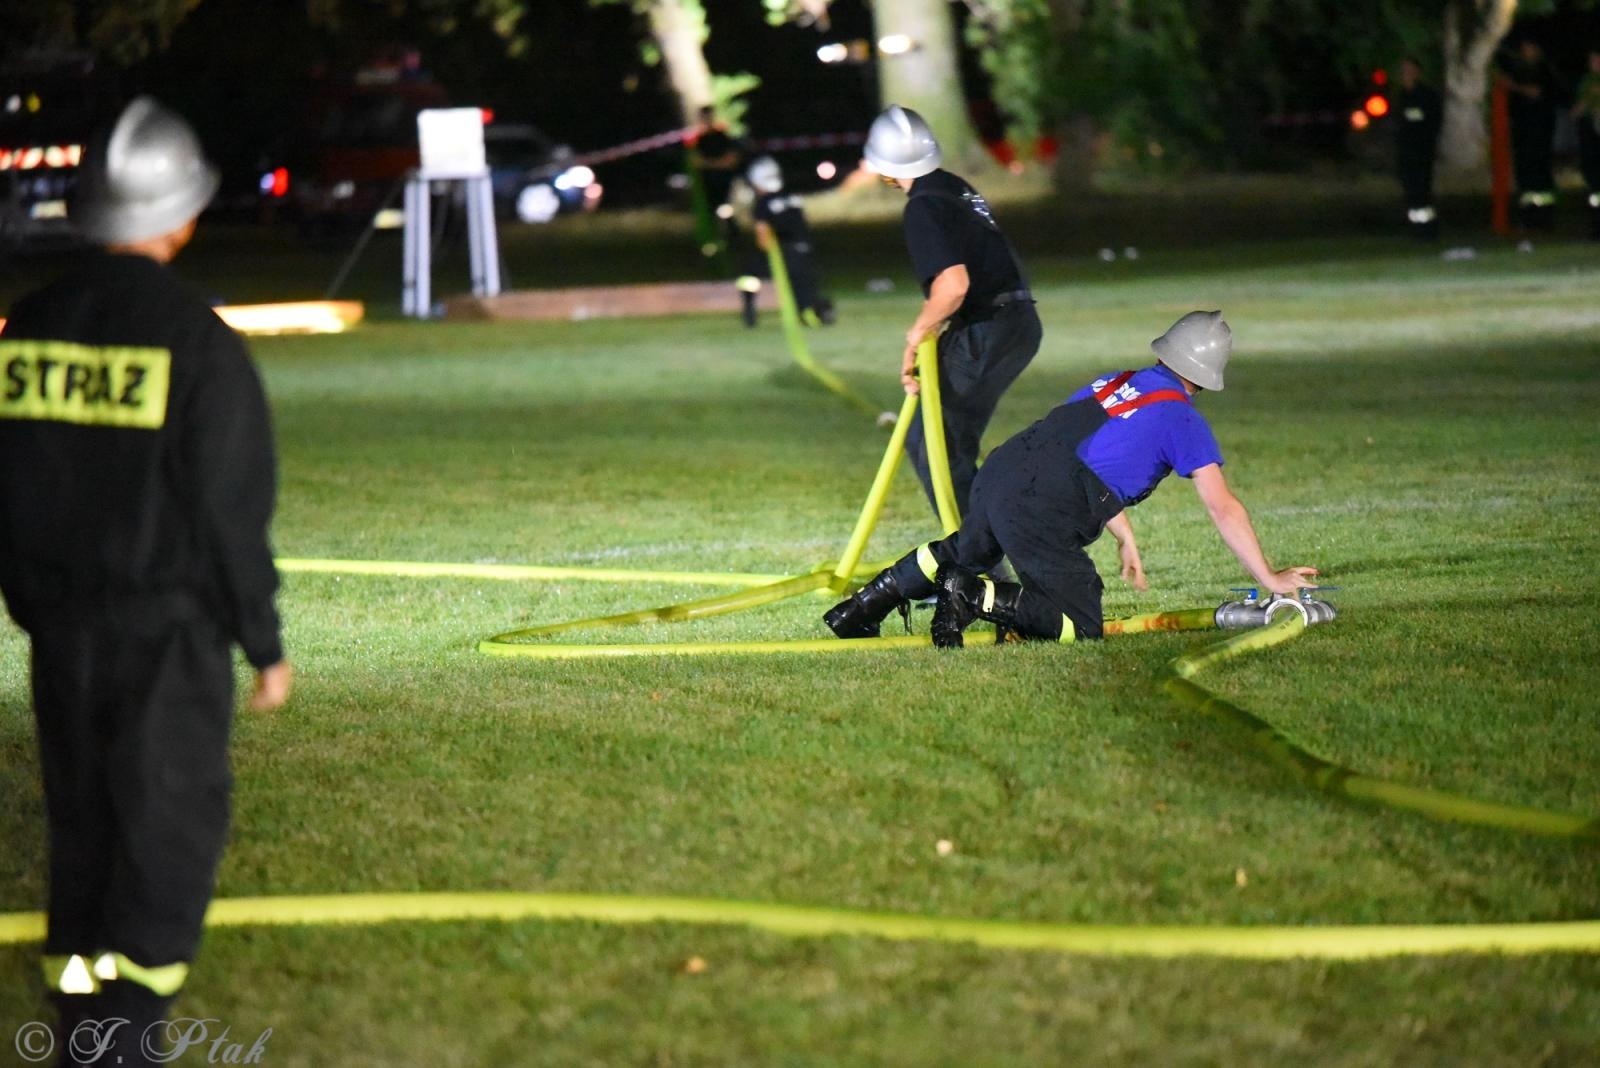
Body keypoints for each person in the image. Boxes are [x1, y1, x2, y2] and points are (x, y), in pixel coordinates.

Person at [0, 96, 290, 1066]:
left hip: (62, 630)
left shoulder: (28, 327)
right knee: (168, 812)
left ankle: (81, 1008)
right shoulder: (197, 340)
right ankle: (128, 1028)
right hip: (168, 634)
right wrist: (264, 641)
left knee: (84, 813)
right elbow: (227, 509)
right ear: (181, 215)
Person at [824, 311, 1318, 647]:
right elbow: (1223, 507)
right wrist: (1269, 578)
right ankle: (972, 595)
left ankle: (859, 610)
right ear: (1210, 372)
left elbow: (1078, 446)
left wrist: (1123, 535)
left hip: (1005, 469)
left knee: (961, 549)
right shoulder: (1181, 419)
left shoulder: (1120, 380)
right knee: (1080, 625)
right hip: (1040, 501)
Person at [863, 104, 1041, 522]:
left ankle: (979, 570)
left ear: (885, 165)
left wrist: (916, 334)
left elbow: (953, 285)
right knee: (943, 443)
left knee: (935, 445)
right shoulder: (955, 188)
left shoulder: (923, 205)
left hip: (988, 327)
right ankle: (979, 555)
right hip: (1014, 321)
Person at [747, 155, 835, 327]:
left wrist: (765, 251)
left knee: (748, 276)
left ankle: (749, 313)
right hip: (805, 249)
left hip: (784, 252)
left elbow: (762, 235)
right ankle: (816, 311)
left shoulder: (763, 203)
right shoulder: (791, 197)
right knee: (806, 288)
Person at [1497, 38, 1562, 230]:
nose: (1525, 52)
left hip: (1540, 131)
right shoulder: (1519, 71)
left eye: (1528, 48)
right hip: (1522, 132)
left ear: (1537, 50)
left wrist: (1512, 86)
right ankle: (1528, 217)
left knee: (1540, 172)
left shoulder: (1544, 71)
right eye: (1523, 48)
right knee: (1524, 174)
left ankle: (1545, 217)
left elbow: (1535, 92)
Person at [1393, 57, 1443, 240]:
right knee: (1410, 191)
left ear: (1417, 72)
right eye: (1403, 70)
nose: (1406, 74)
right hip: (1405, 151)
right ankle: (1416, 228)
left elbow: (1430, 120)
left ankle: (1428, 229)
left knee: (1422, 190)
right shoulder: (1401, 95)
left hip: (1421, 150)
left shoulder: (1426, 95)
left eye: (1409, 70)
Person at [1574, 48, 1600, 241]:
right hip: (1590, 136)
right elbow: (1577, 110)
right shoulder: (1586, 81)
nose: (1595, 63)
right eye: (1592, 60)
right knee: (1593, 183)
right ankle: (1595, 228)